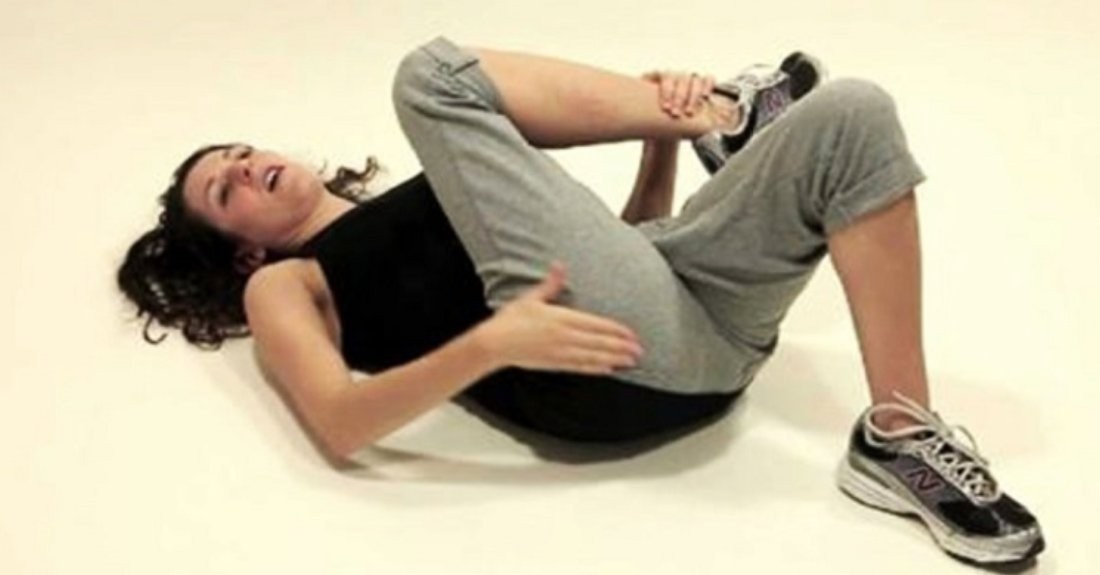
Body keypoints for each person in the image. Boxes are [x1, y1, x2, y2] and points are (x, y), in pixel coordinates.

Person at [117, 36, 1043, 566]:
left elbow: (620, 249)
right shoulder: (286, 282)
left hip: (697, 324)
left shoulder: (433, 184)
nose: (246, 165)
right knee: (427, 77)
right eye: (225, 187)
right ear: (241, 248)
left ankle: (899, 433)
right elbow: (339, 422)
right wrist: (490, 346)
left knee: (853, 113)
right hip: (602, 377)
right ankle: (728, 114)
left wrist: (657, 148)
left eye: (240, 152)